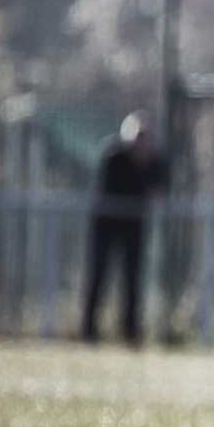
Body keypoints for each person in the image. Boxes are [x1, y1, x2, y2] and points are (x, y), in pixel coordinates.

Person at [81, 110, 164, 345]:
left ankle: (129, 331)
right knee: (99, 275)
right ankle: (89, 330)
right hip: (106, 226)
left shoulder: (153, 161)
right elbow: (106, 191)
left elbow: (155, 194)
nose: (141, 141)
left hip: (133, 228)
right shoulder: (114, 157)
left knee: (132, 280)